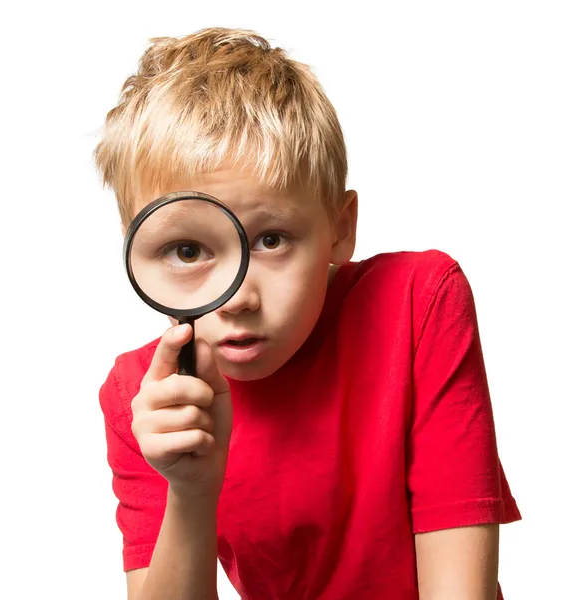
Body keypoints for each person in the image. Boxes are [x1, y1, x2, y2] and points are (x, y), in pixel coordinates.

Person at [95, 27, 521, 600]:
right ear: (137, 250)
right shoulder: (146, 396)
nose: (239, 296)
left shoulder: (417, 303)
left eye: (270, 240)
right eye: (189, 250)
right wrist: (190, 493)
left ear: (339, 230)